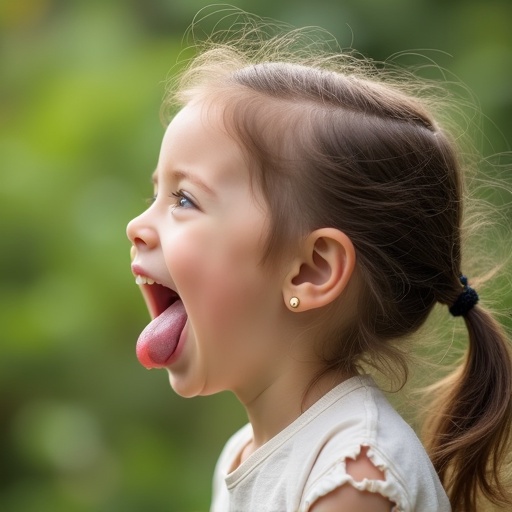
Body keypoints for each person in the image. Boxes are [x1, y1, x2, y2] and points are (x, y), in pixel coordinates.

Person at [126, 13, 512, 512]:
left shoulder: (352, 477)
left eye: (184, 200)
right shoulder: (245, 451)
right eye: (157, 192)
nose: (138, 225)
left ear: (311, 270)